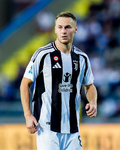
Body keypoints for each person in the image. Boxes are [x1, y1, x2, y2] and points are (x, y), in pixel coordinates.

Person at [20, 11, 98, 150]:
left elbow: (90, 85)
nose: (63, 31)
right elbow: (25, 83)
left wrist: (92, 102)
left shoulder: (82, 58)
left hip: (73, 128)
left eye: (67, 27)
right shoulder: (43, 54)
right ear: (55, 29)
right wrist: (28, 115)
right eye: (60, 27)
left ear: (75, 29)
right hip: (47, 127)